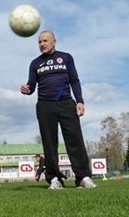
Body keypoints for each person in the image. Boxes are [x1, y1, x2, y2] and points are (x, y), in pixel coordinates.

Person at [20, 30, 96, 190]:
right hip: (45, 105)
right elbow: (32, 86)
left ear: (54, 41)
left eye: (45, 41)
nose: (42, 44)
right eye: (39, 42)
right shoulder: (35, 63)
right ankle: (55, 178)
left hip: (66, 103)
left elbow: (74, 80)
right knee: (49, 143)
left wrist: (80, 101)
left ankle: (83, 177)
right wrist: (27, 89)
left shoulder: (66, 58)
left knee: (74, 139)